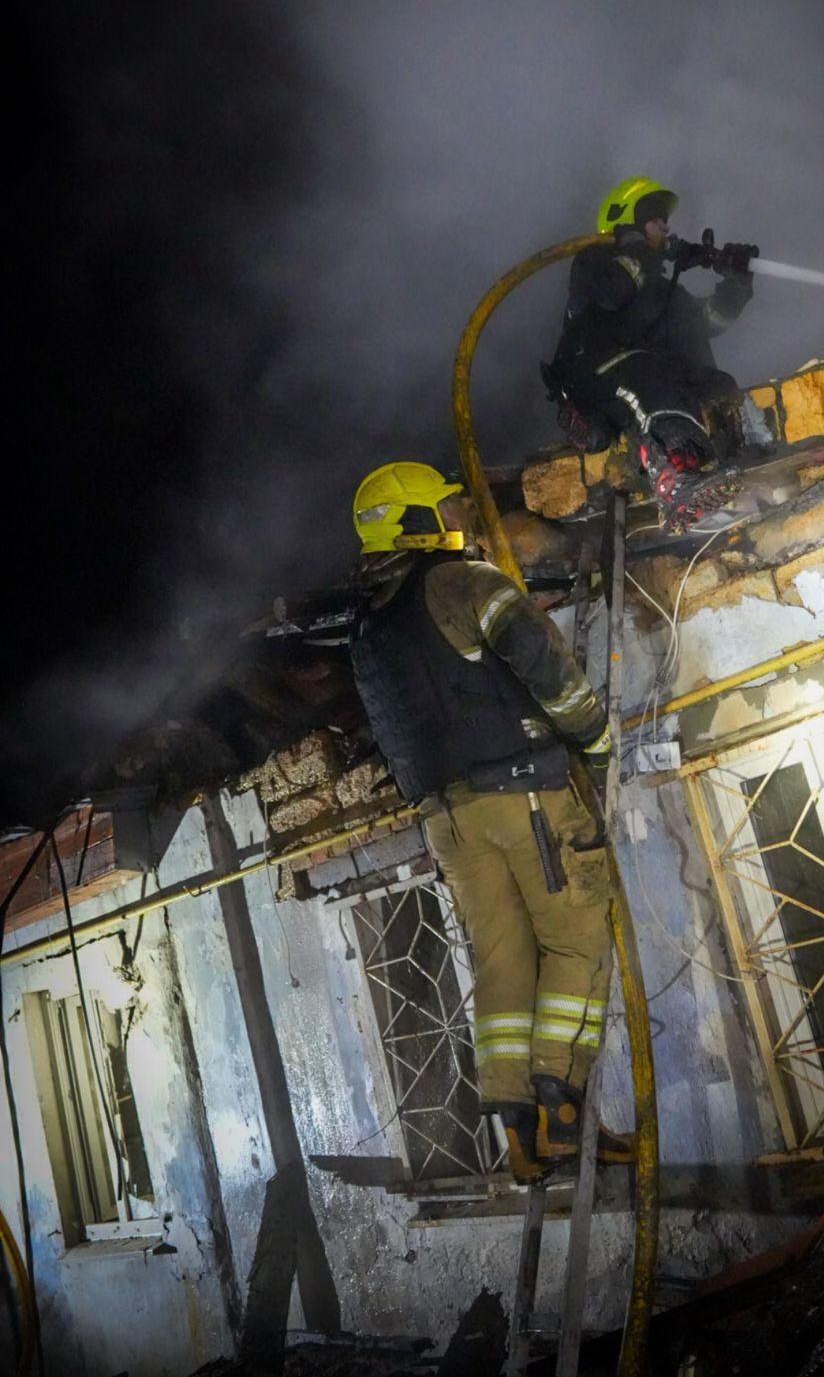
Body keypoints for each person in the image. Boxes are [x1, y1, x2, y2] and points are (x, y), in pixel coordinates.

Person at [347, 461, 633, 1183]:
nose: (461, 518)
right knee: (577, 939)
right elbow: (544, 660)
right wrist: (595, 738)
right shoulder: (461, 582)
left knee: (502, 962)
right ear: (416, 523)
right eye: (446, 507)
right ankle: (563, 1115)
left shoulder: (366, 633)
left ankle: (520, 1136)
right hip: (522, 797)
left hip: (447, 823)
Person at [544, 176, 758, 502]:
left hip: (645, 380)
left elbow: (707, 323)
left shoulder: (663, 289)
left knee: (715, 383)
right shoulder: (593, 260)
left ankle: (733, 464)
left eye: (665, 220)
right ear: (628, 221)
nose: (666, 227)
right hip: (589, 374)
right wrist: (637, 250)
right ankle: (676, 480)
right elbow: (611, 295)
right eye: (655, 219)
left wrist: (736, 285)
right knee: (650, 374)